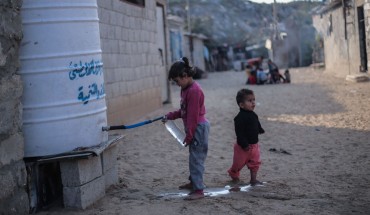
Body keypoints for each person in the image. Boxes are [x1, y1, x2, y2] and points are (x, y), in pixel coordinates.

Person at [163, 57, 210, 200]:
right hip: (193, 128)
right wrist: (171, 115)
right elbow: (184, 111)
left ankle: (199, 190)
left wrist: (189, 135)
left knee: (196, 159)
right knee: (193, 157)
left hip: (198, 128)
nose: (177, 84)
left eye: (177, 81)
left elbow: (193, 117)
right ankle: (193, 182)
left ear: (185, 75)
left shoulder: (194, 91)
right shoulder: (185, 89)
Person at [227, 88, 264, 186]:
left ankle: (253, 180)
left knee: (255, 163)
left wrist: (260, 129)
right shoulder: (239, 118)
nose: (253, 103)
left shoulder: (254, 115)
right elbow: (239, 133)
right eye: (249, 101)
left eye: (253, 100)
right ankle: (234, 176)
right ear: (241, 105)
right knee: (237, 165)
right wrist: (244, 144)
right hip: (242, 148)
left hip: (254, 145)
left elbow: (256, 123)